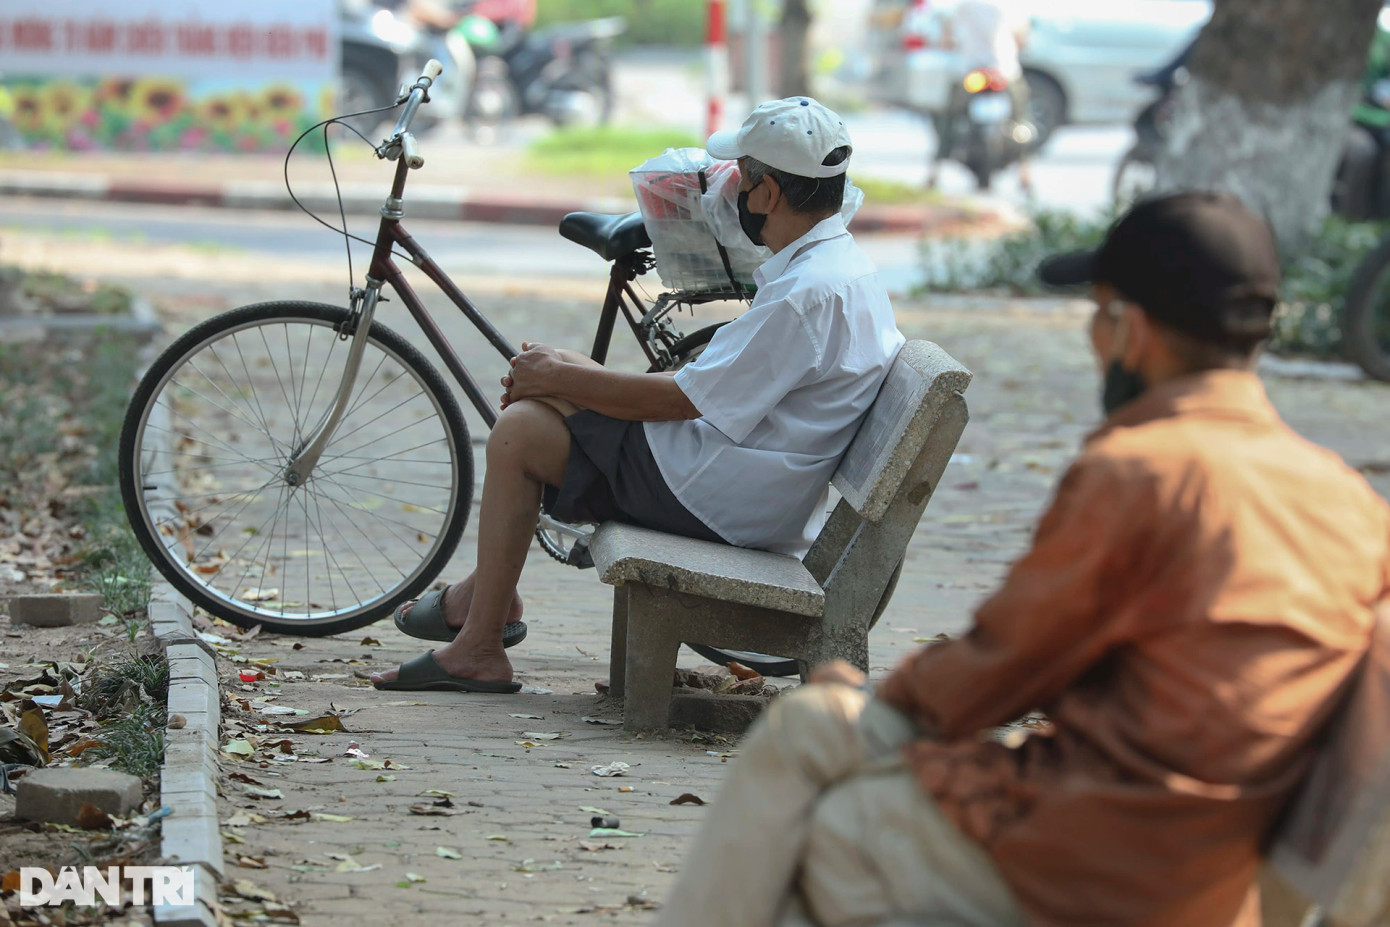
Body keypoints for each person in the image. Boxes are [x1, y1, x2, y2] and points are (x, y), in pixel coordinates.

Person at [652, 192, 1390, 927]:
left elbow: (999, 667)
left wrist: (873, 697)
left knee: (809, 747)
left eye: (1097, 315)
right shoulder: (1352, 502)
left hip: (1097, 855)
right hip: (1230, 874)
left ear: (1131, 329)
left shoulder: (1142, 470)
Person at [370, 97, 905, 693]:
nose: (735, 191)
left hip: (721, 499)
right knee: (555, 377)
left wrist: (558, 380)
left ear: (770, 194)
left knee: (521, 430)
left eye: (742, 179)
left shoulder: (806, 294)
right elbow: (701, 393)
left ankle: (478, 641)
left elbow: (681, 400)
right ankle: (483, 604)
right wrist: (560, 373)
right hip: (744, 478)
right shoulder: (837, 268)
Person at [928, 0, 1033, 192]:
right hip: (1003, 72)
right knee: (1021, 119)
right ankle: (1024, 171)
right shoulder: (1012, 6)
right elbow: (1022, 39)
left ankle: (934, 171)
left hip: (971, 71)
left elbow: (947, 35)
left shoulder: (963, 6)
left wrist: (949, 42)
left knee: (948, 119)